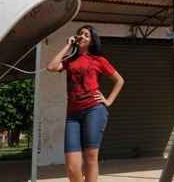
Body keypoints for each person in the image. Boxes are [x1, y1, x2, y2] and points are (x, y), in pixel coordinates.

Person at [47, 25, 124, 182]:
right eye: (80, 34)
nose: (82, 36)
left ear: (92, 41)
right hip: (73, 114)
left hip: (94, 110)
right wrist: (68, 45)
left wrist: (108, 101)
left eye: (86, 35)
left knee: (90, 159)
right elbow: (51, 67)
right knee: (72, 166)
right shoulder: (69, 60)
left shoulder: (98, 60)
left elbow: (119, 80)